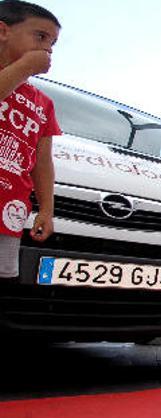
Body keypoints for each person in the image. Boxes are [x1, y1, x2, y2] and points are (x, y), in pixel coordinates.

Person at [0, 0, 60, 280]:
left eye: (53, 43)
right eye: (40, 36)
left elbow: (42, 161)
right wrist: (23, 67)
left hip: (8, 211)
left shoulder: (42, 103)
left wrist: (46, 209)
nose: (47, 48)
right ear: (3, 31)